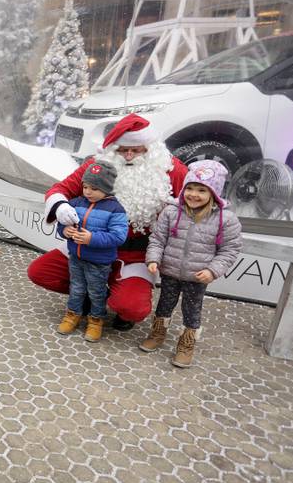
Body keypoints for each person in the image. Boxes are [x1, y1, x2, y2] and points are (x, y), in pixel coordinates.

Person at [28, 113, 188, 330]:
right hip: (89, 247)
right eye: (122, 149)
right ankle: (90, 293)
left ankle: (118, 305)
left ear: (150, 147)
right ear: (113, 148)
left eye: (137, 149)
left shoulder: (172, 170)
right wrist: (62, 208)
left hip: (134, 256)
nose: (129, 155)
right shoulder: (97, 166)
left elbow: (197, 201)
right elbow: (60, 190)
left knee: (132, 308)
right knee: (40, 272)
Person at [140, 160, 243, 368]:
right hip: (170, 270)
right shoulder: (171, 212)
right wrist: (153, 258)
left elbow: (229, 250)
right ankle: (158, 332)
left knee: (192, 310)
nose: (194, 194)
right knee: (164, 304)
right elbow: (158, 239)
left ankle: (186, 343)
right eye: (190, 188)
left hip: (197, 276)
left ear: (213, 193)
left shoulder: (225, 219)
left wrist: (212, 271)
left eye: (202, 190)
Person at [56, 160, 128, 342]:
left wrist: (92, 238)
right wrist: (65, 231)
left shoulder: (116, 209)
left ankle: (96, 321)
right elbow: (63, 222)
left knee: (96, 292)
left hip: (99, 262)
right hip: (76, 257)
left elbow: (118, 236)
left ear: (107, 188)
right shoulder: (76, 203)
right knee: (76, 288)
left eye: (94, 188)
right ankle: (72, 314)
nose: (88, 192)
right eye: (85, 186)